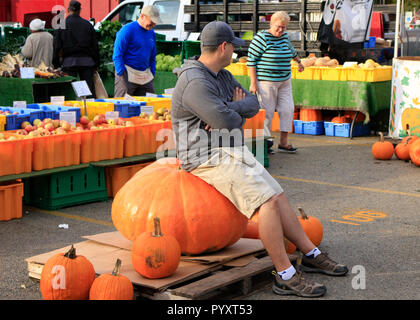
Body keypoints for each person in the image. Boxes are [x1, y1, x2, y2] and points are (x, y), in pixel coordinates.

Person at [171, 21, 348, 298]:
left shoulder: (221, 75)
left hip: (226, 147)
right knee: (265, 201)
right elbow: (226, 120)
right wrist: (227, 112)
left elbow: (253, 104)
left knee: (276, 195)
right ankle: (285, 274)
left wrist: (228, 108)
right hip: (204, 155)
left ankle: (311, 253)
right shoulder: (195, 81)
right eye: (233, 48)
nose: (235, 54)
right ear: (223, 47)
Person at [247, 11, 304, 154]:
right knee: (267, 113)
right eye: (278, 27)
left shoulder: (284, 36)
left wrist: (299, 62)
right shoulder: (261, 38)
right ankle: (265, 143)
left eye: (284, 27)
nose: (281, 30)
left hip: (285, 80)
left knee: (287, 109)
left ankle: (283, 143)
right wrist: (253, 83)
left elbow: (290, 50)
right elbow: (251, 62)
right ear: (271, 24)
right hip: (266, 82)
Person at [52, 0, 100, 98]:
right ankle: (90, 108)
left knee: (70, 90)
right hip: (87, 62)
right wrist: (96, 63)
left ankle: (71, 111)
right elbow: (95, 46)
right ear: (80, 10)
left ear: (68, 10)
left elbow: (57, 46)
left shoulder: (62, 25)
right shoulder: (87, 25)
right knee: (89, 90)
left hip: (69, 62)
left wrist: (56, 63)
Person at [113, 5, 162, 98]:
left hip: (145, 76)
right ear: (142, 16)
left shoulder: (151, 33)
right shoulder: (127, 30)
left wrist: (152, 72)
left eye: (155, 22)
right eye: (152, 21)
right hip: (127, 73)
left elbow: (152, 55)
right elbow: (117, 54)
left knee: (148, 104)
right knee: (123, 106)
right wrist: (121, 73)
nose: (154, 24)